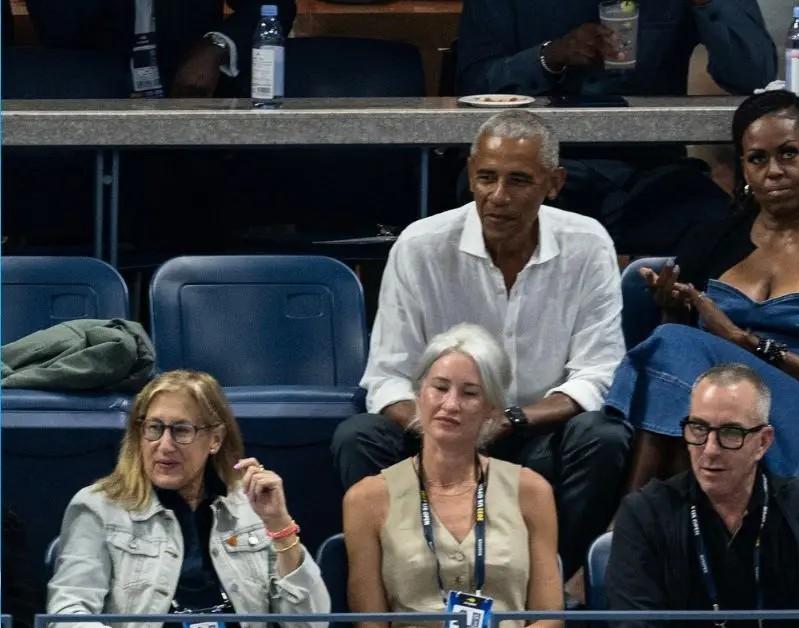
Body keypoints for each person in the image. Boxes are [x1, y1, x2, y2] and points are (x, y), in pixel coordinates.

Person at [332, 110, 631, 579]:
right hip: (436, 428)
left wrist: (512, 420)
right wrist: (445, 426)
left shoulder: (587, 243)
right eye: (486, 178)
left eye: (518, 181)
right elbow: (387, 376)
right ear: (470, 174)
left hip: (534, 429)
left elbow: (599, 373)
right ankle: (411, 582)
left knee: (604, 437)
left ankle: (553, 578)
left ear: (554, 183)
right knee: (359, 437)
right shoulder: (421, 245)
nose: (498, 197)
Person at [607, 89, 799, 541]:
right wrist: (671, 310)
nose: (773, 171)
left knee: (682, 360)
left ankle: (625, 525)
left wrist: (744, 341)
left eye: (788, 154)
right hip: (710, 407)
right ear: (743, 169)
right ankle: (661, 546)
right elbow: (673, 357)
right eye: (757, 159)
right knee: (682, 367)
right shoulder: (713, 238)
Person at [453, 0, 779, 254]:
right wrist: (548, 57)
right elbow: (474, 82)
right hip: (540, 168)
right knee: (498, 208)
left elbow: (754, 74)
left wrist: (707, 4)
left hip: (653, 171)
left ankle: (683, 332)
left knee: (718, 223)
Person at [47, 369, 330, 628]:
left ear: (215, 439)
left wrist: (279, 524)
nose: (165, 445)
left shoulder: (250, 505)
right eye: (154, 428)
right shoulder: (99, 507)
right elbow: (68, 613)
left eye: (181, 430)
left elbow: (311, 623)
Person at [606, 364, 799, 628]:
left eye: (730, 432)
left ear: (763, 442)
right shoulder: (645, 514)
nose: (710, 449)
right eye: (699, 428)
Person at [343, 324, 562, 628]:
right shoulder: (365, 499)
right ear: (419, 394)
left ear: (491, 409)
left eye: (470, 393)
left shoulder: (532, 491)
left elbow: (549, 619)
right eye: (440, 388)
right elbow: (370, 624)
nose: (451, 405)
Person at [23, 0, 296, 97]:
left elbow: (274, 5)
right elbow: (59, 24)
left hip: (193, 108)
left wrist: (217, 45)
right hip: (85, 113)